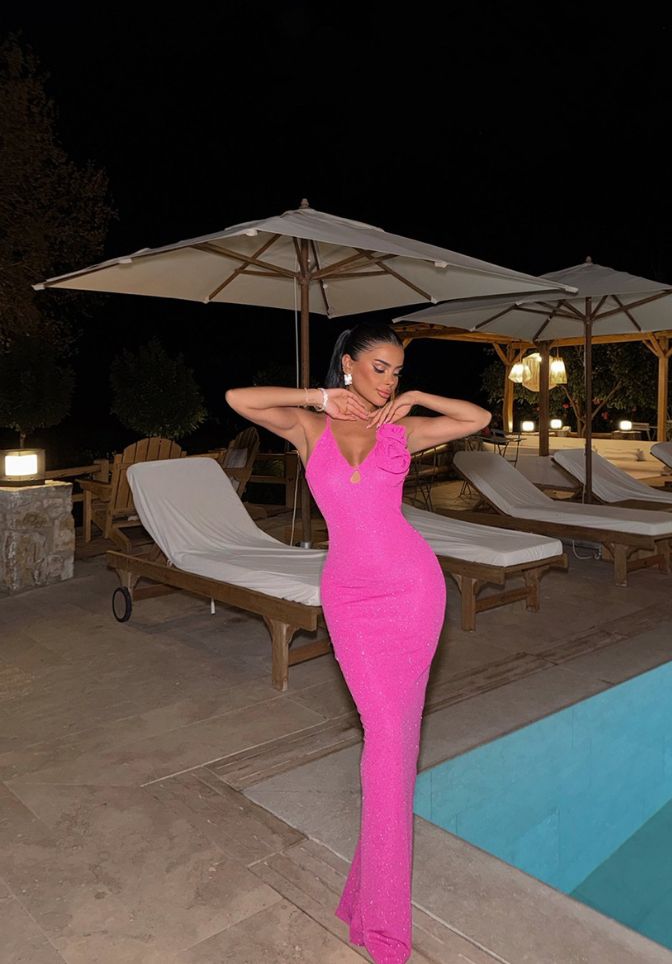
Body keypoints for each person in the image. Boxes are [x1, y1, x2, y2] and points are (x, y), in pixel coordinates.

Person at [225, 323, 490, 964]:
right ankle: (371, 902)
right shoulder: (308, 427)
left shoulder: (400, 430)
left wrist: (418, 396)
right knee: (387, 742)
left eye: (397, 372)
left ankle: (381, 919)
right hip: (350, 598)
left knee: (392, 746)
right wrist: (319, 398)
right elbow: (238, 399)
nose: (389, 381)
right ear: (347, 364)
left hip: (414, 590)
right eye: (379, 368)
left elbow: (477, 418)